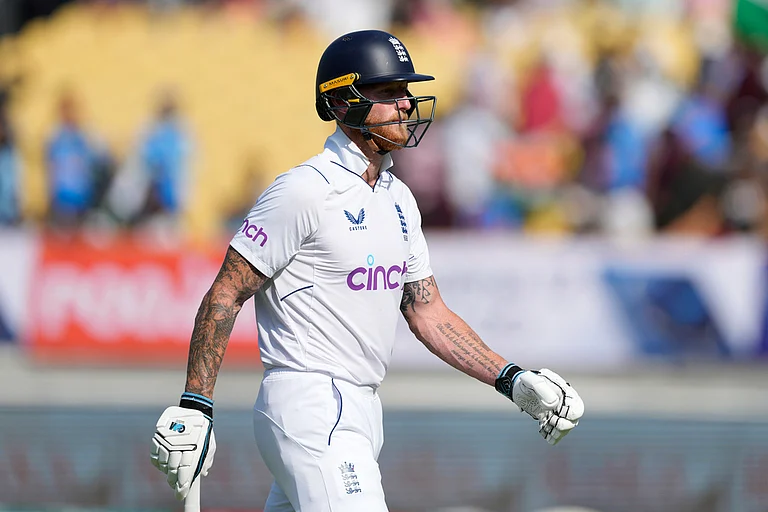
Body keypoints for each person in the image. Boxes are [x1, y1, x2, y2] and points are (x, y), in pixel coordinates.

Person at [150, 29, 584, 512]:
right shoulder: (303, 191)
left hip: (360, 408)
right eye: (387, 93)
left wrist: (511, 379)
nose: (404, 104)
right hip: (310, 402)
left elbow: (427, 311)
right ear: (341, 102)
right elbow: (225, 294)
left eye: (405, 92)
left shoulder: (399, 198)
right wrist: (195, 405)